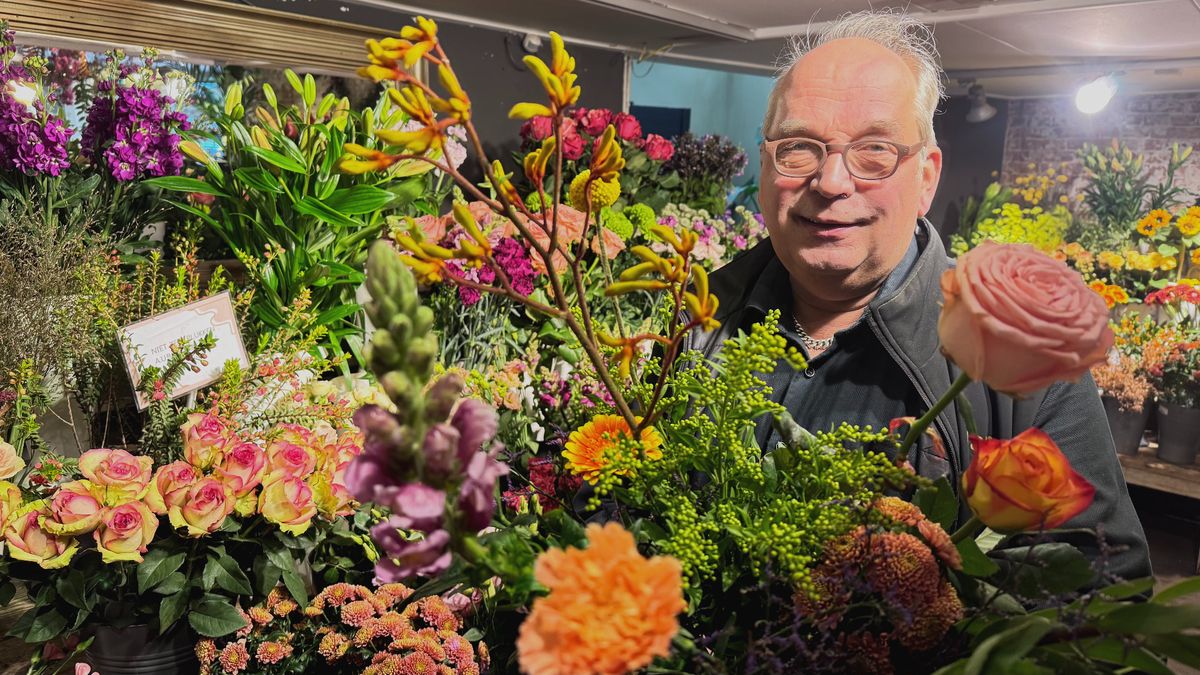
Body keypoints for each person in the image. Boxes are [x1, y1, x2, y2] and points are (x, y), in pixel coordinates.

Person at [686, 11, 1151, 581]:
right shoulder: (693, 316)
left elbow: (1105, 584)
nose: (832, 182)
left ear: (927, 178)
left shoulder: (1020, 354)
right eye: (799, 147)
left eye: (874, 150)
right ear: (764, 164)